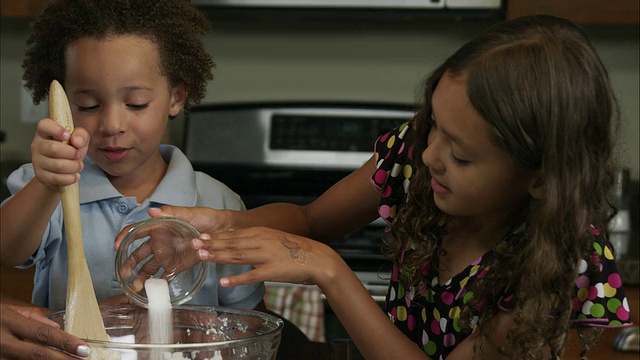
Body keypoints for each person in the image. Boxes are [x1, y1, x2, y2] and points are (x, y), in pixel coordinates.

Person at [121, 15, 633, 359]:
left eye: (460, 154)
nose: (430, 154)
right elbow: (313, 221)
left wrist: (331, 271)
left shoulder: (564, 274)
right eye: (432, 124)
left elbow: (320, 249)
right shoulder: (418, 159)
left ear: (540, 177)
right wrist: (222, 226)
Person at [0, 0, 265, 315]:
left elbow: (249, 319)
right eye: (87, 105)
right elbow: (7, 252)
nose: (112, 125)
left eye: (136, 104)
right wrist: (47, 185)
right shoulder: (45, 186)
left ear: (176, 98)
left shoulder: (219, 204)